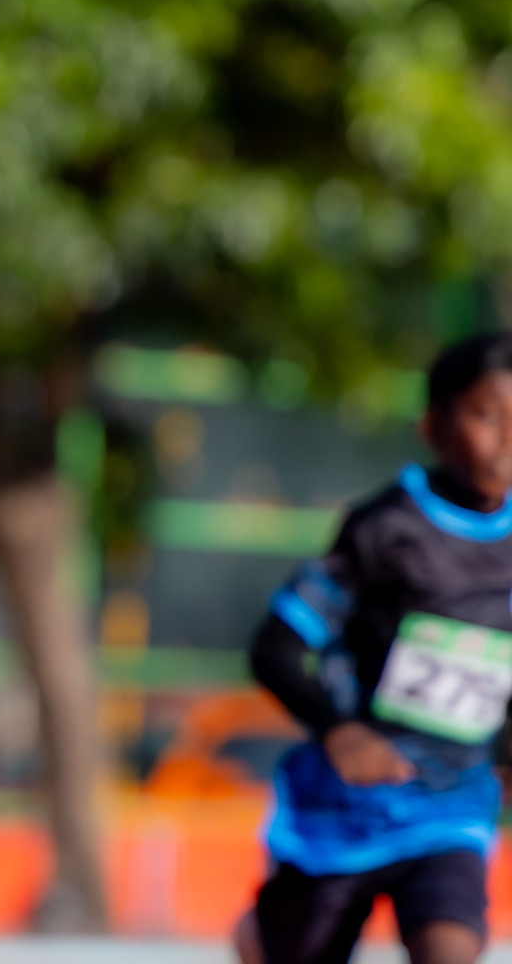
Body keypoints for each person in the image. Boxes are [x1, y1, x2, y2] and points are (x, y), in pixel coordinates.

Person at [235, 333, 512, 964]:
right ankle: (262, 935)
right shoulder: (384, 529)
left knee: (450, 950)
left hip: (453, 808)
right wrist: (339, 734)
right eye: (487, 415)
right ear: (434, 426)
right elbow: (273, 648)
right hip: (347, 814)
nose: (506, 440)